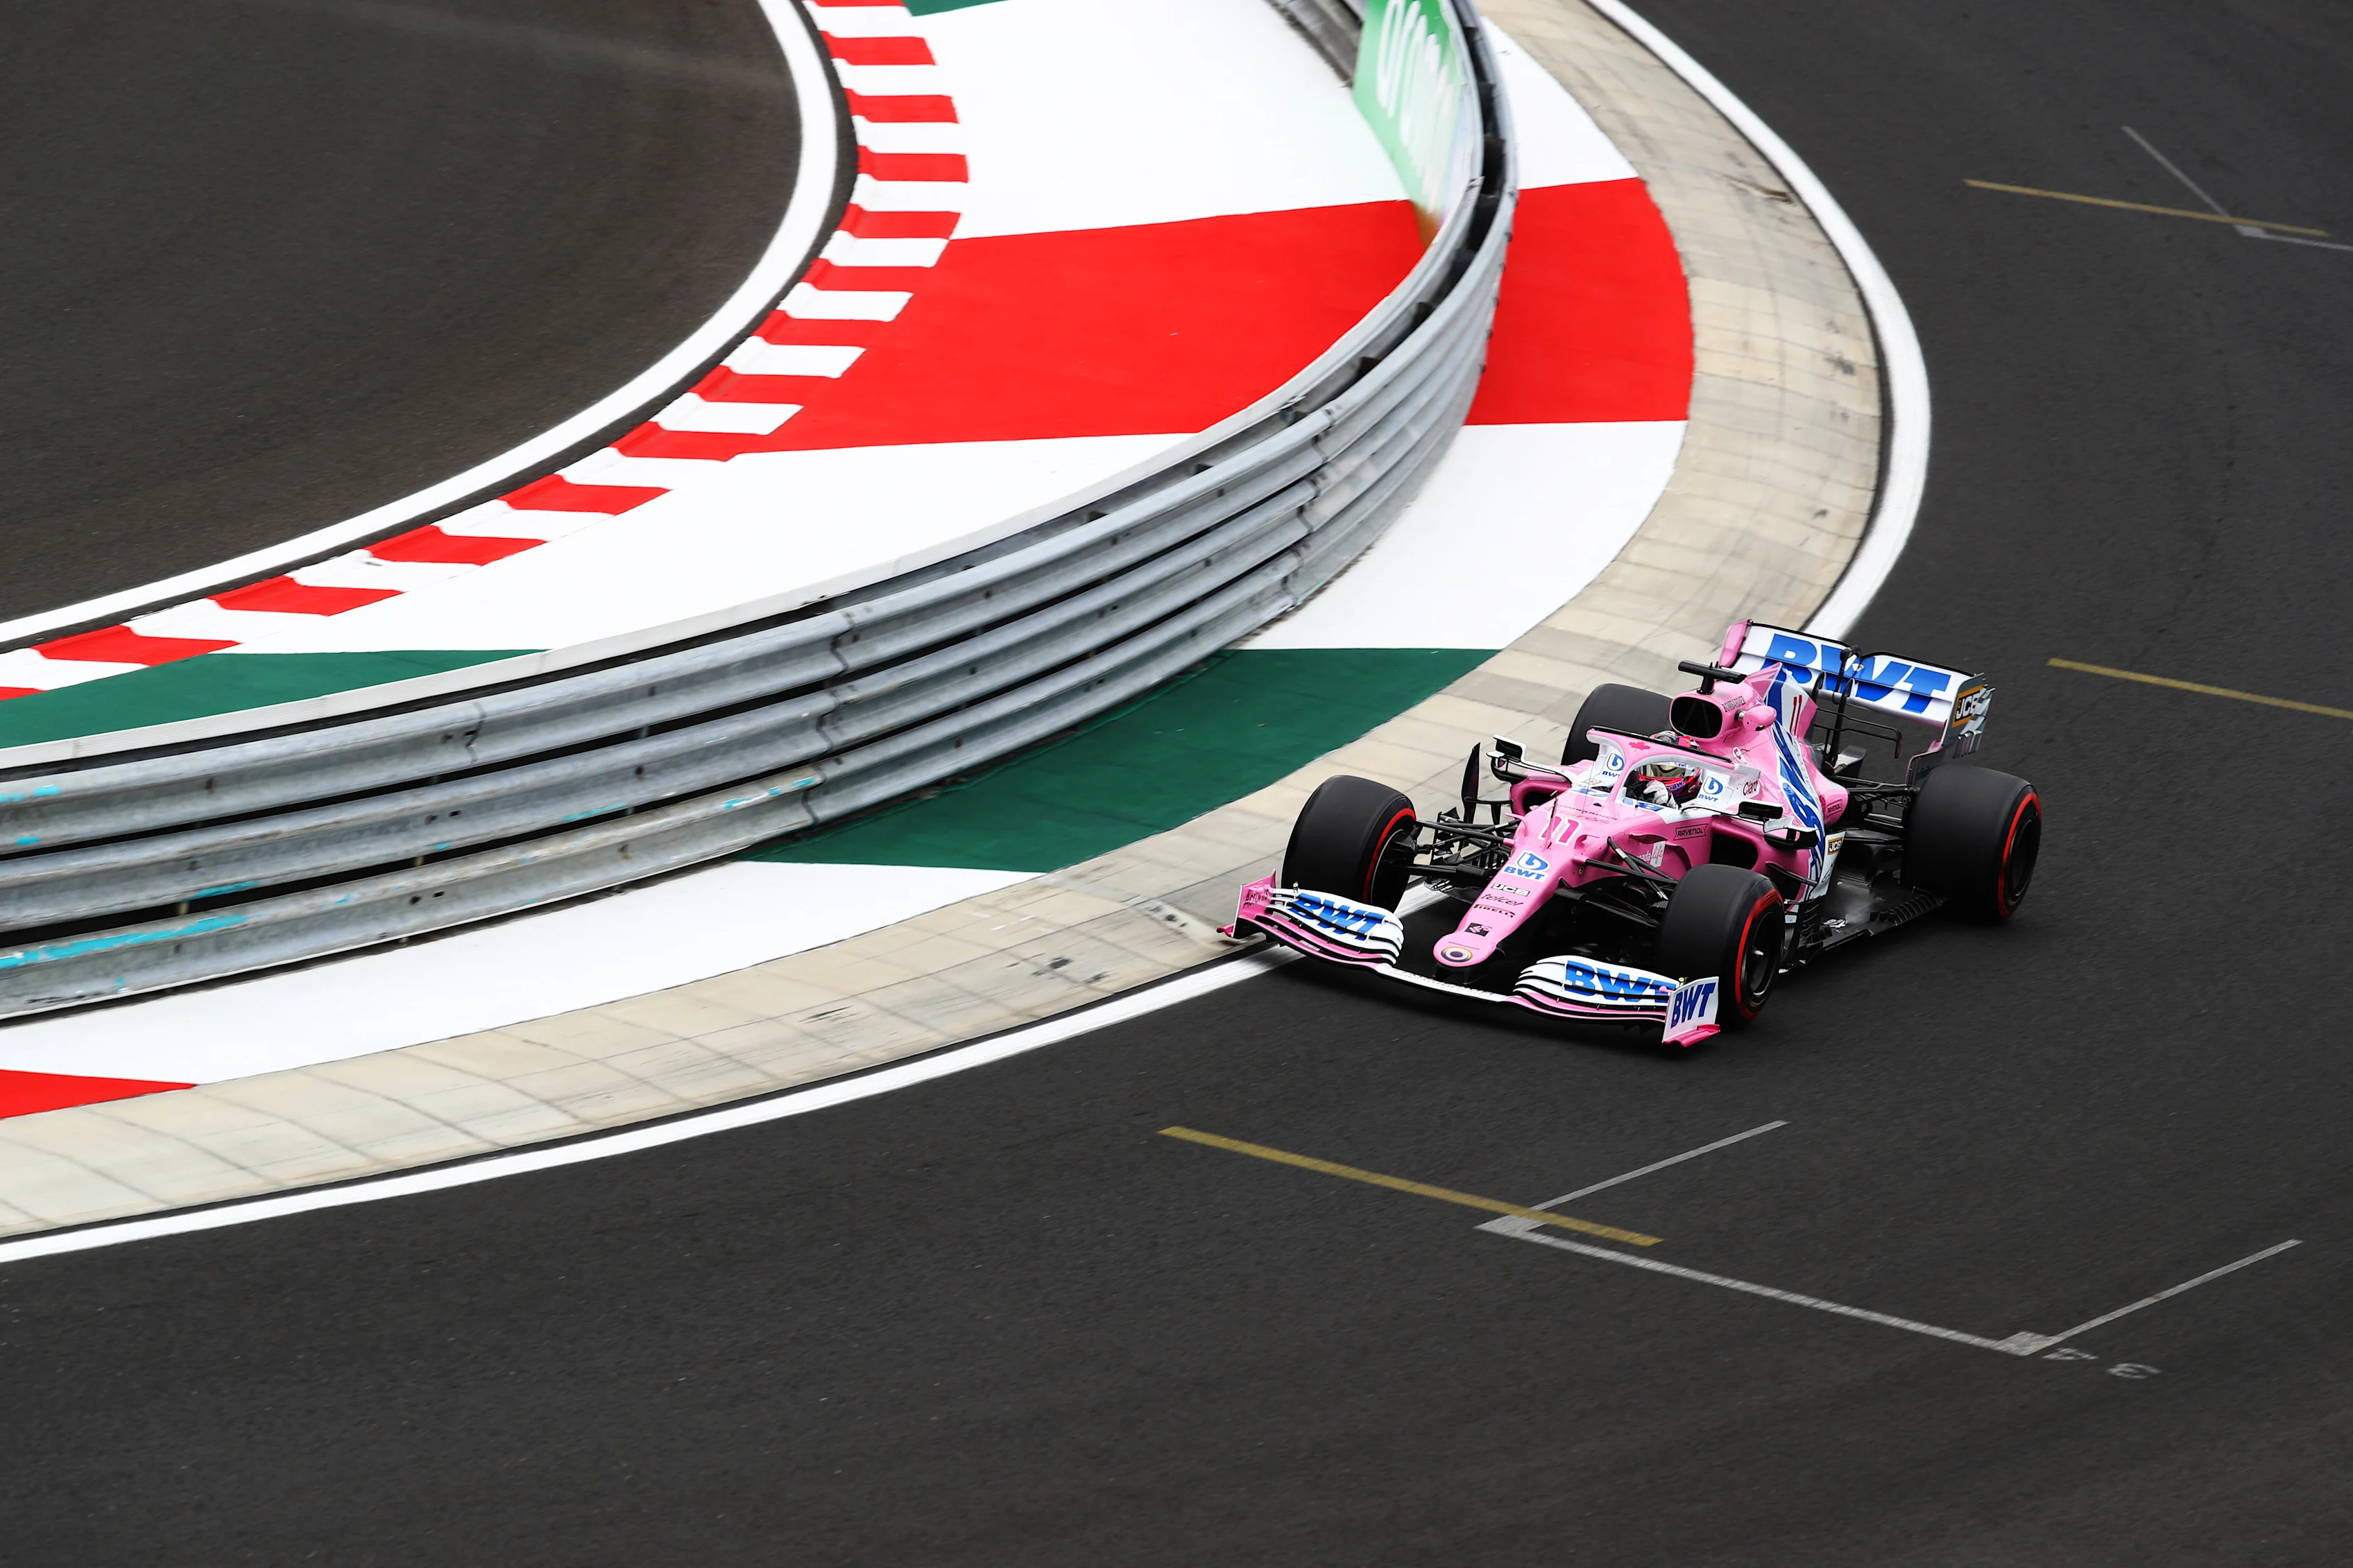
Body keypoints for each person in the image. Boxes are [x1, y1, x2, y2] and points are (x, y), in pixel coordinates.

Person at [1626, 757, 1703, 808]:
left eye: (1673, 772)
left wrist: (1672, 807)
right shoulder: (1632, 789)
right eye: (1654, 770)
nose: (1660, 776)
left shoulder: (1703, 803)